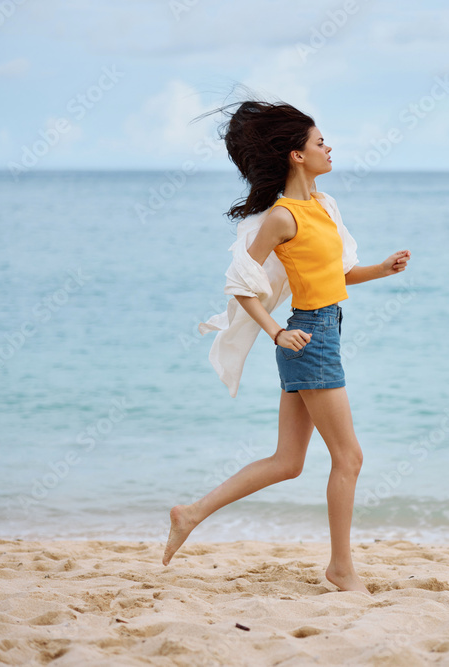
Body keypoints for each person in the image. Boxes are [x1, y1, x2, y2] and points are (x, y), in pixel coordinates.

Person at [162, 100, 411, 595]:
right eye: (320, 142)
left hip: (323, 331)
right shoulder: (281, 217)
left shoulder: (325, 206)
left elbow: (338, 276)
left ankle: (190, 513)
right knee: (350, 458)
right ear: (297, 155)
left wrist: (382, 269)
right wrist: (275, 331)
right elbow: (241, 284)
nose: (329, 147)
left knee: (288, 462)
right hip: (308, 339)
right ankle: (341, 568)